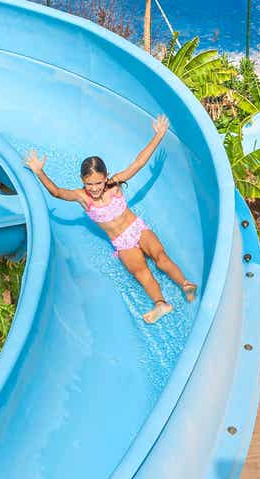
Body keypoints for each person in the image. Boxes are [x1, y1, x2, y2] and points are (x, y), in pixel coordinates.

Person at [25, 116, 197, 324]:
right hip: (121, 242)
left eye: (98, 183)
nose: (94, 188)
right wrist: (39, 171)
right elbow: (57, 192)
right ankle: (161, 304)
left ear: (106, 177)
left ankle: (185, 284)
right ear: (82, 181)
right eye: (89, 184)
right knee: (141, 273)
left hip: (137, 228)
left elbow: (138, 163)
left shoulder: (114, 185)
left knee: (160, 257)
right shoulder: (82, 197)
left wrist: (159, 136)